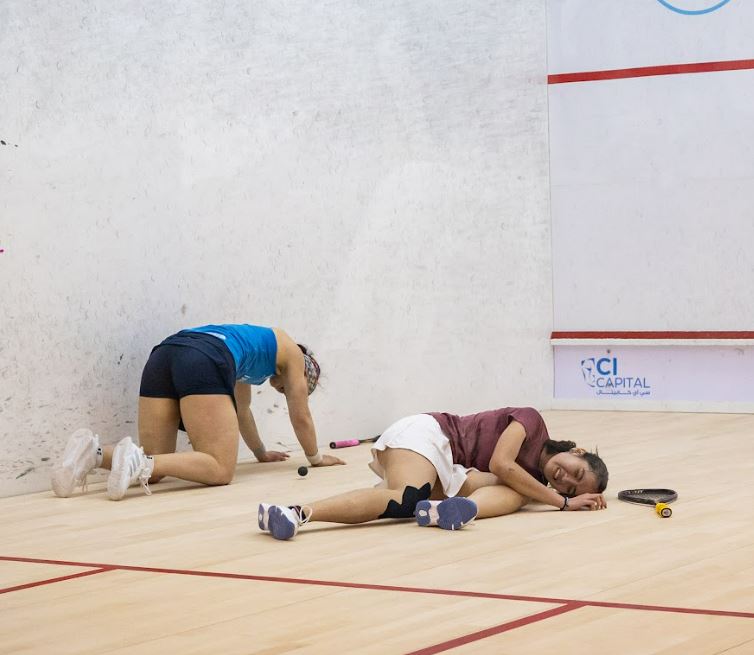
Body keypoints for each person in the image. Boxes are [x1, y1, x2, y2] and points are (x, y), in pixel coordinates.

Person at [52, 323, 344, 500]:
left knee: (156, 464)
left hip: (164, 355)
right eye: (289, 389)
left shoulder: (254, 351)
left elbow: (242, 411)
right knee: (220, 468)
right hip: (203, 357)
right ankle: (136, 460)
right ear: (304, 374)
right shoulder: (292, 353)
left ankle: (92, 453)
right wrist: (316, 458)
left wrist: (261, 452)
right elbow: (301, 415)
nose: (285, 392)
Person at [258, 407, 608, 540]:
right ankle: (296, 513)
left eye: (570, 488)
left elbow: (503, 479)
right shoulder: (532, 421)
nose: (565, 480)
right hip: (431, 436)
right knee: (406, 499)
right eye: (576, 473)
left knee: (520, 494)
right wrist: (563, 503)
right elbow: (501, 464)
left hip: (450, 469)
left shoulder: (533, 484)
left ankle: (442, 512)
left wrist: (550, 497)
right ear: (576, 451)